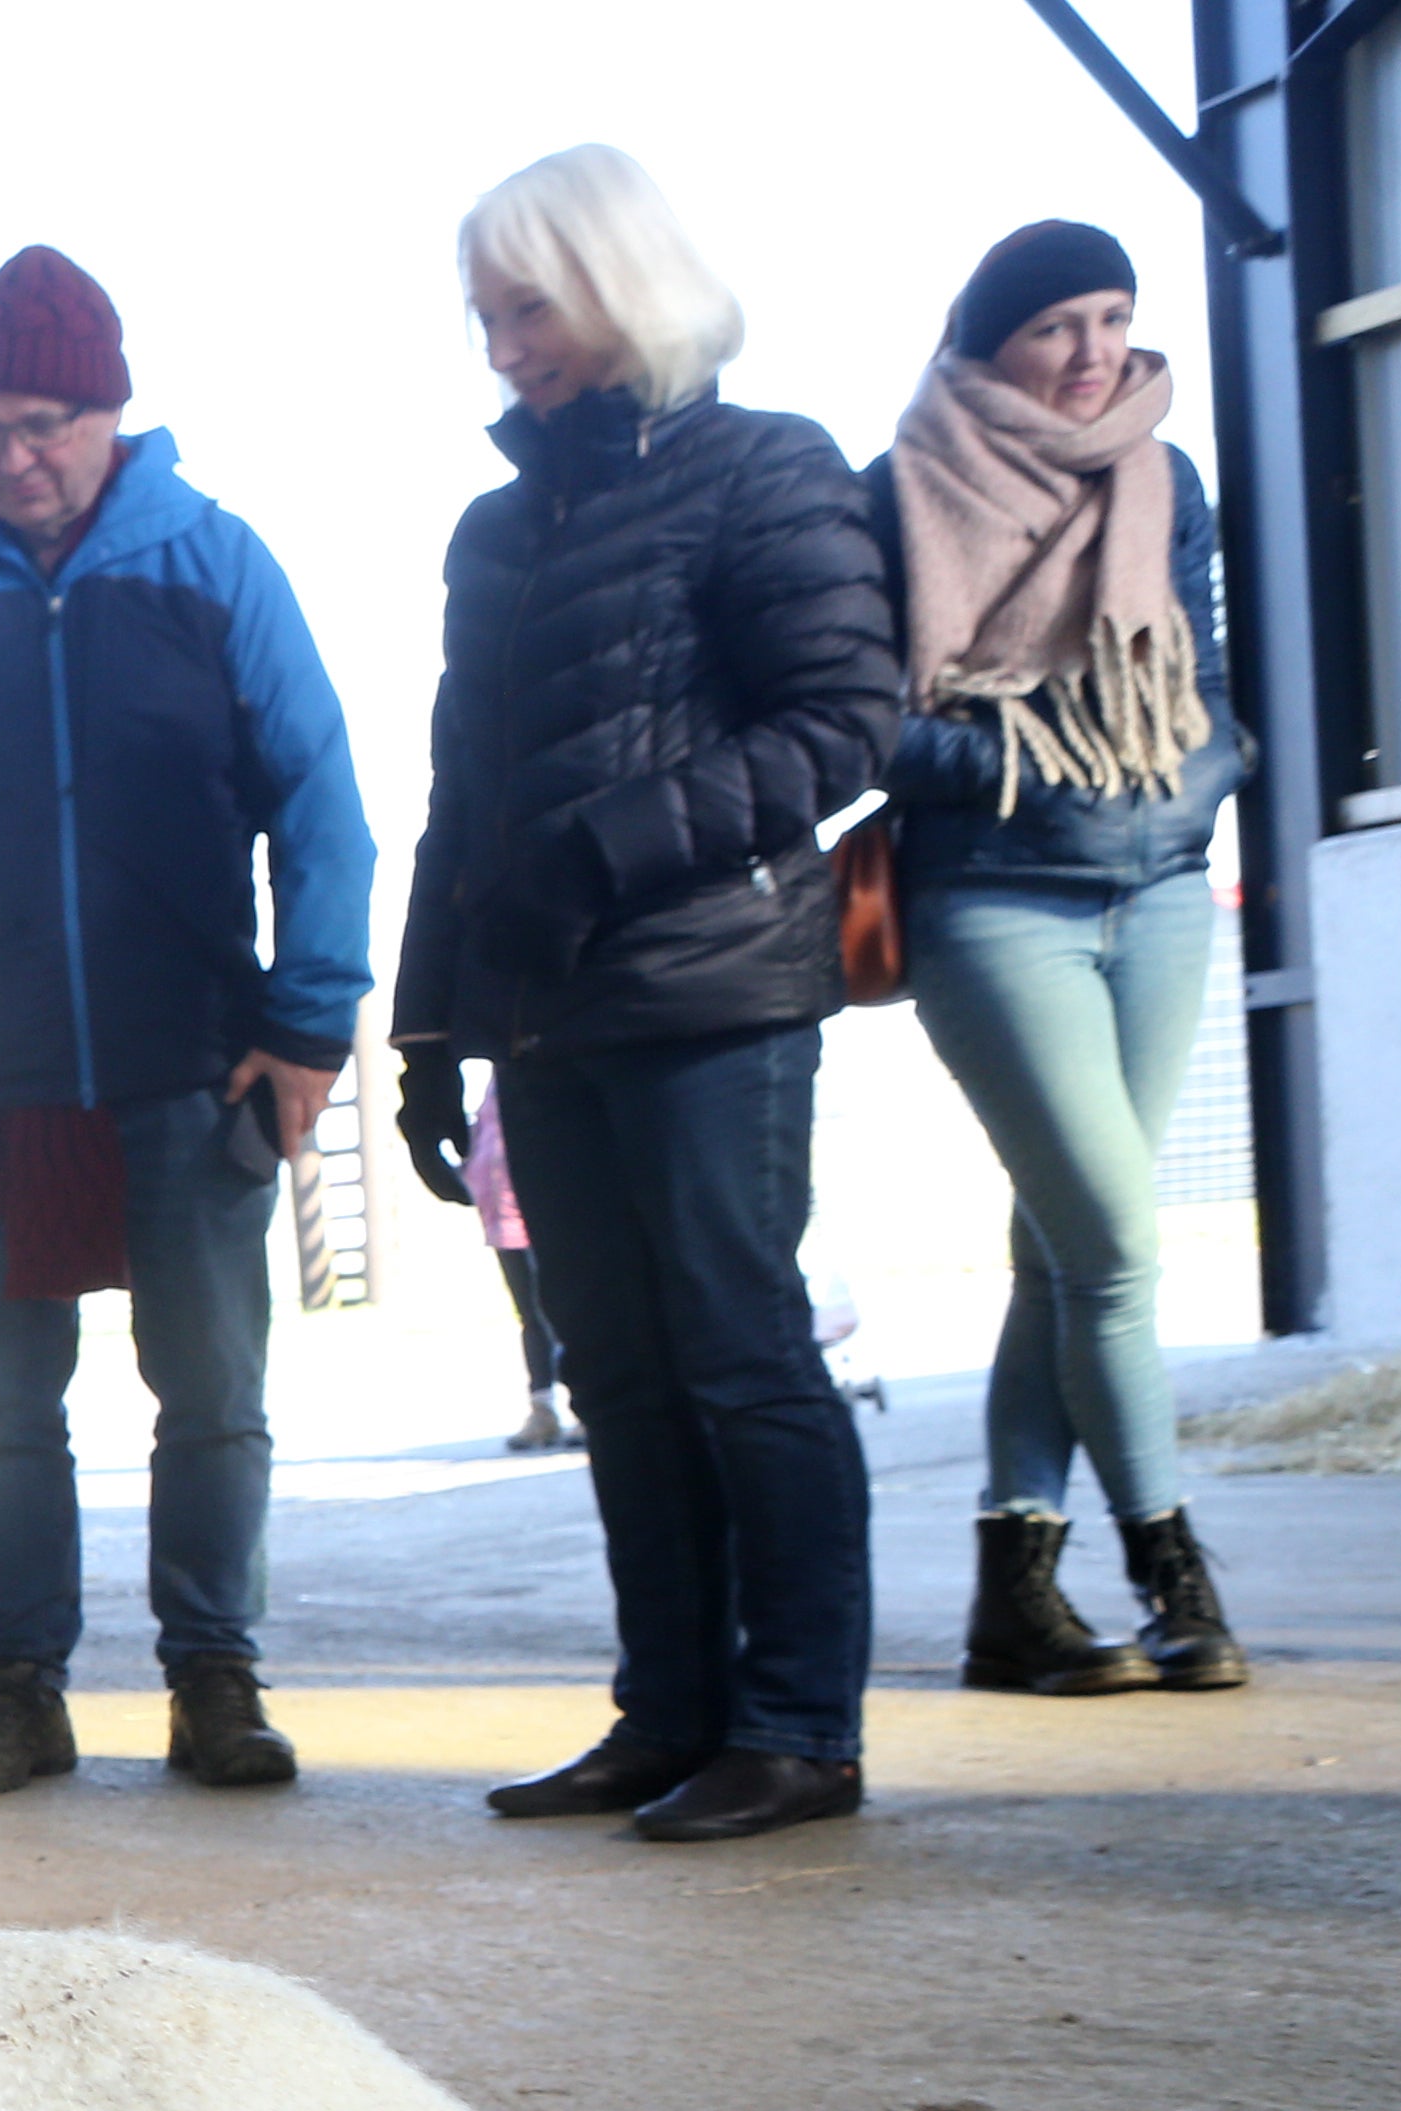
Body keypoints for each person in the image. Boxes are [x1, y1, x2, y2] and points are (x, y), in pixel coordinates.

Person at [0, 246, 373, 1799]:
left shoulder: (216, 566)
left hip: (193, 1072)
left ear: (112, 412)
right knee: (8, 1408)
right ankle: (18, 1692)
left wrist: (309, 1027)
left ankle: (215, 1681)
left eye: (46, 420)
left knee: (211, 1397)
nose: (15, 457)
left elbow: (323, 807)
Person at [389, 146, 900, 1845]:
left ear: (616, 282)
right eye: (481, 315)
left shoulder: (764, 475)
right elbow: (459, 796)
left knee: (736, 1354)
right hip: (540, 1014)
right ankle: (665, 1713)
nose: (498, 347)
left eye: (522, 307)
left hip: (707, 994)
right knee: (610, 1371)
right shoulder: (495, 531)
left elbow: (838, 724)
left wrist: (603, 852)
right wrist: (417, 1027)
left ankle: (793, 1728)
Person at [873, 224, 1257, 1696]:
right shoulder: (896, 493)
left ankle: (1013, 1593)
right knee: (1115, 1252)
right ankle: (1175, 1569)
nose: (1096, 352)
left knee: (1062, 1250)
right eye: (1057, 327)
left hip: (1160, 890)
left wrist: (1202, 770)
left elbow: (1206, 684)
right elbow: (866, 724)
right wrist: (1030, 762)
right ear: (988, 348)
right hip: (995, 901)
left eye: (1115, 316)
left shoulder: (1167, 481)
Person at [464, 1087, 572, 1454]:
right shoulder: (495, 1090)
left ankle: (585, 1402)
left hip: (546, 1213)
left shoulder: (541, 1078)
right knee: (531, 1314)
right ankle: (543, 1409)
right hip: (503, 1221)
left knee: (571, 1308)